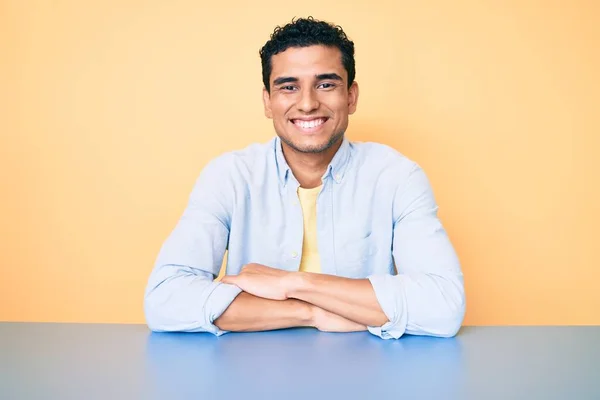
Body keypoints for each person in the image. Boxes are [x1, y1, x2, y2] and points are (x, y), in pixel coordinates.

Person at [144, 17, 465, 339]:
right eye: (288, 87)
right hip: (252, 373)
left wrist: (292, 283)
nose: (308, 104)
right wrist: (311, 312)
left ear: (351, 97)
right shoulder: (229, 176)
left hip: (366, 374)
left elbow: (443, 305)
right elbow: (165, 299)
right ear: (268, 101)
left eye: (326, 84)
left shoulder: (397, 177)